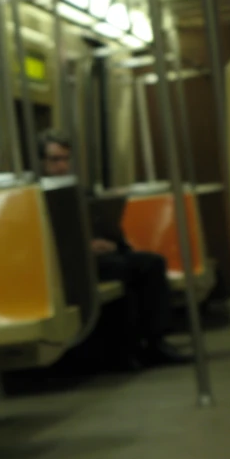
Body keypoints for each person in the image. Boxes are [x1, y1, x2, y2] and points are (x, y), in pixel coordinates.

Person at [38, 129, 191, 367]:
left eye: (66, 159)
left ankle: (154, 341)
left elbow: (99, 224)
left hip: (94, 259)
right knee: (127, 268)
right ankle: (131, 348)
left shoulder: (80, 191)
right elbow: (46, 241)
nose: (62, 166)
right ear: (40, 162)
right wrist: (87, 247)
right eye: (55, 159)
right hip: (64, 266)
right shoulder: (37, 197)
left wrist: (111, 241)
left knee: (151, 262)